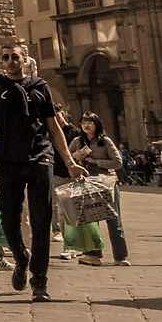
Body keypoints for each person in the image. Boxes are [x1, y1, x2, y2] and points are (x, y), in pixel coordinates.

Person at [0, 39, 81, 300]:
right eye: (5, 57)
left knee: (42, 221)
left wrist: (70, 162)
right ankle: (21, 258)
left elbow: (53, 127)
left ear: (25, 60)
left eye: (15, 57)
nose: (10, 61)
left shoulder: (40, 86)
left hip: (40, 157)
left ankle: (39, 281)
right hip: (8, 159)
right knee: (9, 217)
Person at [65, 112, 128, 265]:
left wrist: (96, 161)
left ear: (97, 124)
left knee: (114, 219)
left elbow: (118, 162)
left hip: (107, 183)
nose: (87, 125)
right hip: (87, 183)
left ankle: (120, 257)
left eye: (90, 122)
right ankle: (93, 255)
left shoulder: (105, 142)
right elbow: (67, 160)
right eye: (84, 122)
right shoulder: (76, 142)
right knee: (90, 220)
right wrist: (75, 156)